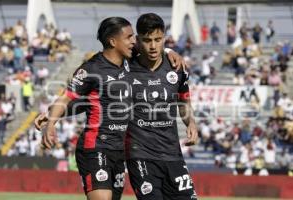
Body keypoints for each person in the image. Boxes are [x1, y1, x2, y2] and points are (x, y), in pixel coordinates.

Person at [37, 16, 186, 200]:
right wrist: (51, 123)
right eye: (130, 37)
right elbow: (67, 98)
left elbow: (154, 45)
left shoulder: (130, 63)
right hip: (95, 147)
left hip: (119, 151)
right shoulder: (91, 69)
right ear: (113, 41)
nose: (134, 41)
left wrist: (171, 51)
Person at [125, 13, 198, 199]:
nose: (152, 46)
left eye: (158, 40)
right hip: (140, 155)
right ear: (137, 40)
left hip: (172, 153)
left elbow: (183, 103)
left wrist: (191, 123)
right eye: (147, 40)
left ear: (164, 38)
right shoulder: (124, 67)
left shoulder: (177, 68)